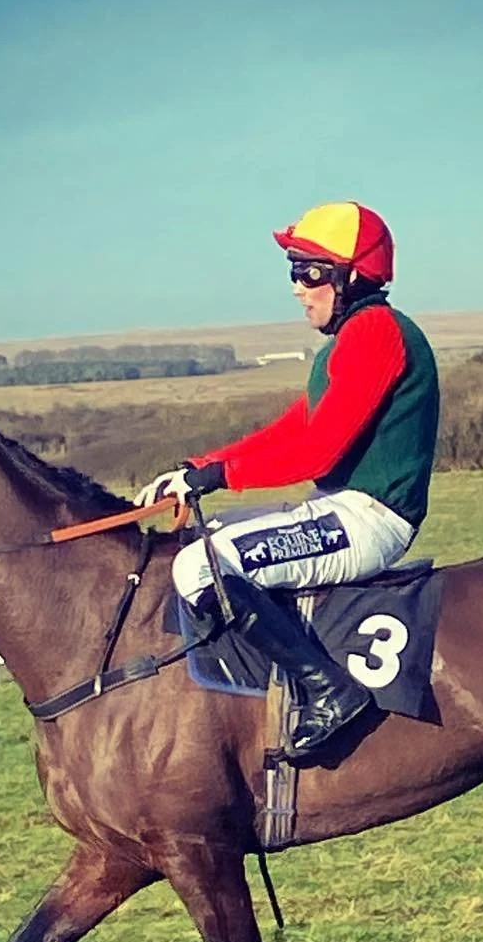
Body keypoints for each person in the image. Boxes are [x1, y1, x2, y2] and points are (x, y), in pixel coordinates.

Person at [134, 200, 439, 758]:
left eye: (311, 272)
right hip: (342, 508)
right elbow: (292, 428)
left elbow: (318, 452)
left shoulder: (375, 333)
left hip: (369, 520)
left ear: (352, 276)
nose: (299, 287)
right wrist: (198, 468)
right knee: (208, 538)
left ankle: (330, 691)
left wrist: (221, 474)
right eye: (294, 271)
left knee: (201, 565)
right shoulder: (349, 340)